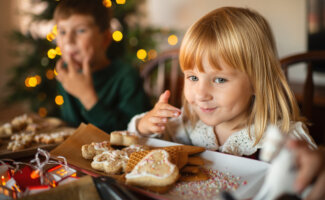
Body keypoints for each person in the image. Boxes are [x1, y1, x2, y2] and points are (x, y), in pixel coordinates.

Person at [128, 7, 316, 156]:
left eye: (219, 79)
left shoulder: (286, 139)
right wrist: (144, 126)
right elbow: (136, 141)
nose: (201, 94)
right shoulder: (187, 124)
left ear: (256, 83)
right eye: (193, 77)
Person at [54, 0, 151, 133]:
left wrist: (87, 96)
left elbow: (134, 132)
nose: (68, 40)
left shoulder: (126, 76)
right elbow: (71, 128)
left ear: (105, 38)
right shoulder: (67, 73)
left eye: (81, 30)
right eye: (62, 32)